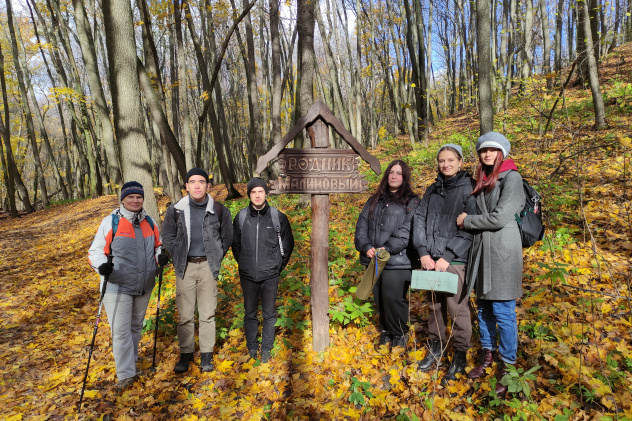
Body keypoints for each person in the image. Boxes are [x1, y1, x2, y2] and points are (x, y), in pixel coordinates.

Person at [456, 132, 525, 395]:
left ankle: (508, 365)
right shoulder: (482, 177)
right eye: (483, 150)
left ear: (502, 153)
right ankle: (488, 356)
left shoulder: (512, 177)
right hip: (482, 250)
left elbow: (499, 218)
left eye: (493, 150)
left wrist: (467, 221)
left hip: (503, 251)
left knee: (504, 311)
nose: (487, 154)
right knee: (484, 307)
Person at [88, 181, 167, 389]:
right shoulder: (110, 222)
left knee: (134, 327)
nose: (135, 200)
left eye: (139, 197)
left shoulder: (149, 222)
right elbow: (95, 252)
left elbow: (158, 246)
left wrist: (161, 257)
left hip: (144, 284)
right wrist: (101, 266)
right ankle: (125, 375)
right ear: (122, 199)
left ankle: (130, 367)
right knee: (121, 331)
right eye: (130, 197)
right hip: (117, 284)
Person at [412, 144, 477, 384]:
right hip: (430, 260)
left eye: (450, 160)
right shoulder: (432, 190)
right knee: (434, 308)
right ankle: (435, 348)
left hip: (454, 261)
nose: (445, 164)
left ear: (460, 162)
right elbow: (419, 219)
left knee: (457, 310)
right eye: (441, 160)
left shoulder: (469, 190)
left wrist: (447, 257)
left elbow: (470, 228)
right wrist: (423, 252)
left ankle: (459, 355)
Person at [162, 168, 233, 373]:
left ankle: (206, 356)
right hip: (185, 267)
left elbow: (227, 236)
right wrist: (177, 255)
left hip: (208, 267)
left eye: (201, 182)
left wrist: (217, 255)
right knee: (185, 314)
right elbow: (168, 236)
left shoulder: (218, 209)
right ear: (186, 186)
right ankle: (185, 355)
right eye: (192, 182)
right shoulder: (175, 210)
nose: (197, 185)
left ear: (208, 186)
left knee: (207, 313)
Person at [354, 160, 420, 349]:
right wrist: (366, 245)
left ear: (404, 177)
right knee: (379, 298)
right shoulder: (375, 199)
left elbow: (407, 229)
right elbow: (362, 225)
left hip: (399, 261)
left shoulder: (412, 201)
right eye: (391, 172)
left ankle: (399, 333)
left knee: (393, 298)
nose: (394, 176)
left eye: (399, 173)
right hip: (374, 259)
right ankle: (385, 332)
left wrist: (388, 248)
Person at [232, 178, 294, 363]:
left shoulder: (278, 217)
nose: (257, 195)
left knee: (269, 313)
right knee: (249, 313)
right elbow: (235, 245)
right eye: (253, 192)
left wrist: (277, 266)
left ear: (266, 193)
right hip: (248, 275)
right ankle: (252, 346)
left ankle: (266, 348)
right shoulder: (241, 217)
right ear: (249, 194)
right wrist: (244, 263)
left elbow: (288, 244)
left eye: (260, 191)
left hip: (270, 275)